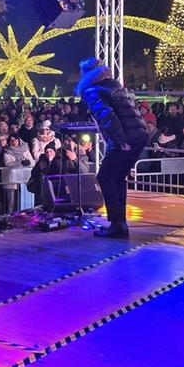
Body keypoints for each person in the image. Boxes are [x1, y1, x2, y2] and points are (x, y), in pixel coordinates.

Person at [77, 58, 148, 238]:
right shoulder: (114, 85)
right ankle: (120, 224)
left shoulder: (92, 90)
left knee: (105, 176)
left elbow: (107, 116)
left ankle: (117, 224)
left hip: (125, 137)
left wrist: (120, 140)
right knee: (117, 178)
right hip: (139, 134)